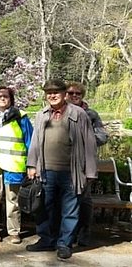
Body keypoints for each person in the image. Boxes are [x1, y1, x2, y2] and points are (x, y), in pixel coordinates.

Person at [26, 79, 97, 260]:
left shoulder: (79, 114)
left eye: (56, 92)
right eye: (49, 93)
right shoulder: (42, 114)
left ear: (64, 94)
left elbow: (89, 144)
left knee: (70, 210)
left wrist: (89, 172)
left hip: (71, 172)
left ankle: (64, 244)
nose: (52, 96)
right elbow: (34, 142)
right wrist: (32, 165)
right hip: (46, 171)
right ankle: (46, 240)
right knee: (45, 208)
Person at [0, 86, 33, 245]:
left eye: (6, 96)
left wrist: (31, 164)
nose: (3, 98)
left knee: (13, 200)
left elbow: (30, 142)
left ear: (11, 99)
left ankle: (14, 232)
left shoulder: (21, 117)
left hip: (13, 165)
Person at [65, 81, 107, 246]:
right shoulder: (60, 112)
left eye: (78, 94)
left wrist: (85, 139)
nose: (74, 96)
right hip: (64, 163)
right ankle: (67, 234)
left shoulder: (91, 114)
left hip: (84, 163)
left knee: (84, 200)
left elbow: (103, 136)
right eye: (71, 93)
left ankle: (84, 233)